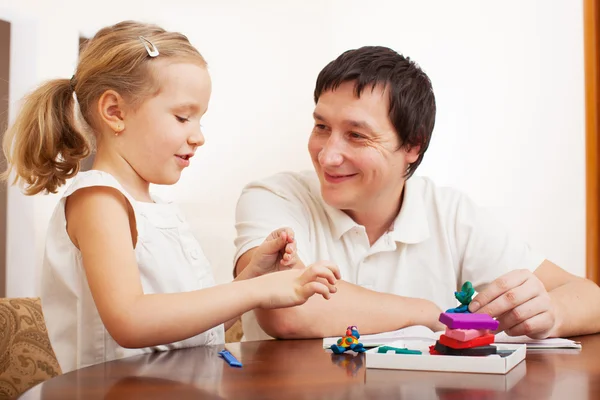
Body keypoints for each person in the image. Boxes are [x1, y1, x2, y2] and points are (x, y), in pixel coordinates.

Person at [1, 21, 340, 373]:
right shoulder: (98, 201)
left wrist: (253, 278)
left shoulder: (156, 210)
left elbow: (190, 330)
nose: (198, 137)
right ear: (115, 112)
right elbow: (131, 321)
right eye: (182, 117)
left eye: (200, 121)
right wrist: (256, 294)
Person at [234, 45, 600, 341]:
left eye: (357, 135)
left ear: (412, 145)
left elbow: (590, 297)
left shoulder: (451, 214)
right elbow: (286, 310)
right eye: (321, 126)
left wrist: (552, 315)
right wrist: (428, 313)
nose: (328, 155)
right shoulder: (273, 197)